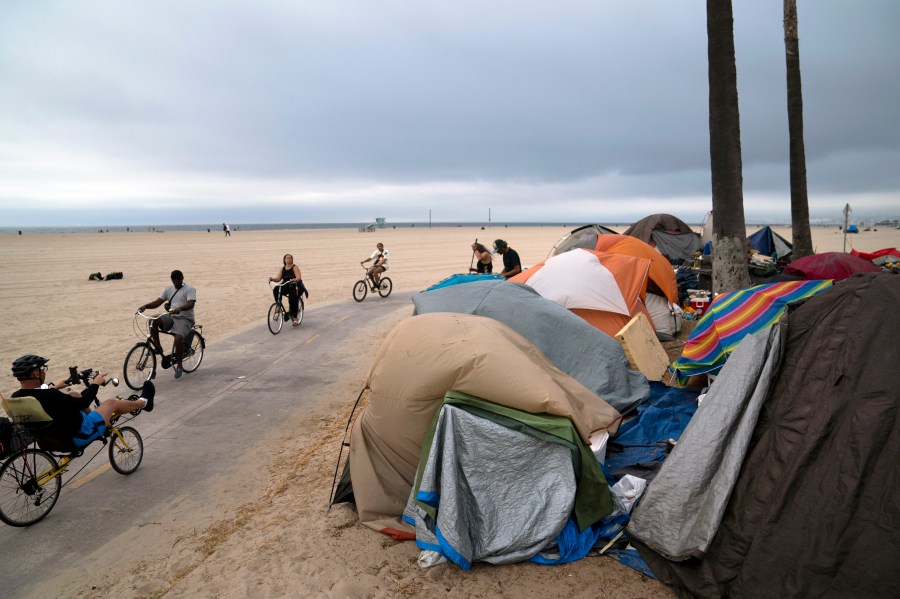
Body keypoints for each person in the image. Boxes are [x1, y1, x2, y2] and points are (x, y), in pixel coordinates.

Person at [10, 355, 154, 449]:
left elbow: (42, 397)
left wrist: (55, 387)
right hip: (75, 438)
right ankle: (144, 402)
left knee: (73, 394)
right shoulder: (50, 395)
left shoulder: (17, 398)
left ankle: (98, 423)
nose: (44, 372)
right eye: (43, 369)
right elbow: (84, 403)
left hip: (47, 441)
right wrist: (95, 384)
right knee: (111, 403)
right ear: (36, 373)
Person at [138, 269, 197, 379]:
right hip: (171, 316)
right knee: (153, 320)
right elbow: (157, 302)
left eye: (178, 279)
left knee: (178, 338)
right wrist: (145, 306)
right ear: (171, 280)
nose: (176, 282)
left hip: (185, 319)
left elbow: (191, 304)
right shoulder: (168, 289)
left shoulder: (190, 289)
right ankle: (158, 346)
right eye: (174, 280)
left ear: (182, 278)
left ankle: (179, 365)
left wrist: (180, 308)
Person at [268, 254, 306, 326]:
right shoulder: (282, 268)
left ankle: (295, 318)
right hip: (285, 285)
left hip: (292, 285)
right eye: (287, 258)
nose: (289, 259)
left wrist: (295, 279)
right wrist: (272, 279)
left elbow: (298, 277)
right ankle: (278, 306)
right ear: (284, 260)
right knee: (276, 289)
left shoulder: (295, 267)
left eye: (290, 258)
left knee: (292, 299)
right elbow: (278, 279)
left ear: (292, 259)